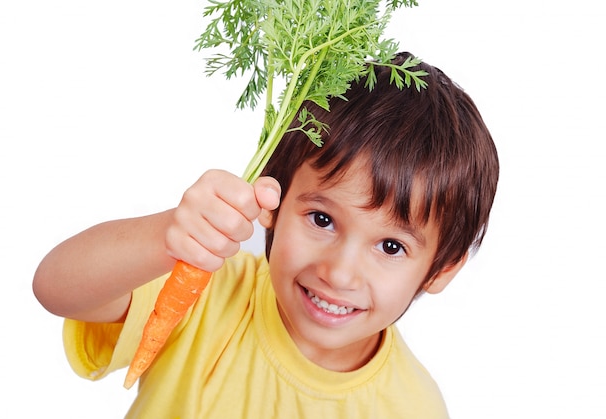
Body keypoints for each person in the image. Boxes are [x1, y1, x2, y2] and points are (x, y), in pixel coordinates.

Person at [33, 52, 499, 418]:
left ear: (441, 269)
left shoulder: (414, 408)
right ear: (273, 197)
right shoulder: (209, 292)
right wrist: (167, 237)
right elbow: (55, 287)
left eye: (391, 246)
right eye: (322, 219)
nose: (338, 272)